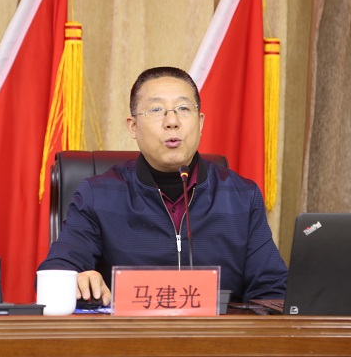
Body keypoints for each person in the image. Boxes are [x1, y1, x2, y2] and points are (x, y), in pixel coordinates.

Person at [37, 66, 287, 306]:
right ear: (133, 127)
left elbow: (274, 291)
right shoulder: (98, 195)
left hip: (217, 335)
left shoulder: (241, 197)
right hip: (129, 334)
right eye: (156, 110)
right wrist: (77, 281)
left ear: (200, 122)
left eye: (183, 108)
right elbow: (55, 273)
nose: (172, 121)